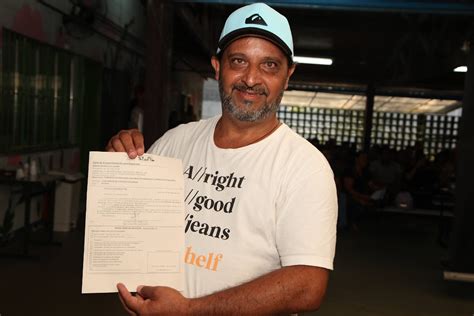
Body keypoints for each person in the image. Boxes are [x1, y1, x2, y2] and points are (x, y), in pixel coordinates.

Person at [106, 3, 337, 314]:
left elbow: (308, 285)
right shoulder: (176, 142)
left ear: (288, 75)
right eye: (239, 61)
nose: (251, 79)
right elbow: (128, 221)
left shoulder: (304, 167)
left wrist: (188, 311)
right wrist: (117, 168)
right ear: (217, 66)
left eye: (269, 65)